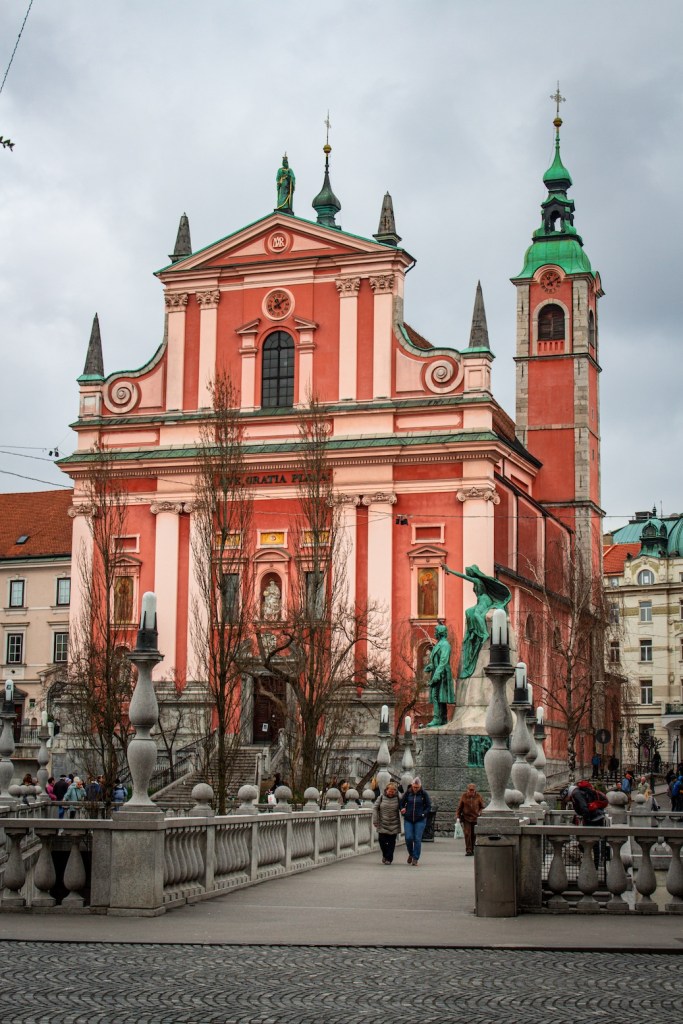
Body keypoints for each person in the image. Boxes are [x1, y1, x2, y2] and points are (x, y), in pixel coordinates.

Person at [441, 564, 511, 678]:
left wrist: (450, 570)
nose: (468, 574)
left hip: (484, 600)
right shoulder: (476, 581)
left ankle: (484, 633)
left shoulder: (477, 581)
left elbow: (464, 577)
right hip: (480, 601)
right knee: (469, 612)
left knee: (478, 614)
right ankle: (474, 630)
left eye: (469, 572)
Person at [423, 624, 456, 727]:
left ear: (440, 633)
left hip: (443, 674)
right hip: (438, 671)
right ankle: (443, 719)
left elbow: (443, 661)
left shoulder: (445, 645)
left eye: (436, 631)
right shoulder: (438, 644)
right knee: (440, 697)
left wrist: (436, 674)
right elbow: (436, 661)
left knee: (437, 695)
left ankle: (437, 718)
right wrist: (430, 666)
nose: (434, 633)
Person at [399, 776, 432, 866]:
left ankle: (415, 858)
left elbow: (428, 806)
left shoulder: (423, 794)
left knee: (417, 839)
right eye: (414, 787)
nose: (416, 789)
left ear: (420, 786)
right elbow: (401, 803)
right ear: (412, 785)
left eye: (417, 787)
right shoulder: (408, 793)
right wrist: (402, 809)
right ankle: (411, 853)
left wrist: (423, 814)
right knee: (408, 838)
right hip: (408, 818)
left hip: (420, 819)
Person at [372, 781, 402, 865]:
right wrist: (375, 820)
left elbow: (402, 807)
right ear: (386, 790)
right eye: (390, 791)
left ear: (395, 791)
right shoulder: (381, 797)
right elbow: (375, 808)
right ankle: (385, 855)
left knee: (391, 843)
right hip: (382, 823)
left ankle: (389, 858)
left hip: (394, 823)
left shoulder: (398, 798)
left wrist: (404, 811)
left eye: (393, 792)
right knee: (382, 841)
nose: (391, 793)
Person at [455, 782, 485, 856]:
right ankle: (468, 850)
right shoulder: (464, 796)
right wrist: (458, 816)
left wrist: (479, 812)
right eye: (470, 790)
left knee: (474, 834)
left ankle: (473, 849)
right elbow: (460, 807)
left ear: (475, 790)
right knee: (467, 834)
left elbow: (482, 806)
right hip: (466, 818)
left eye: (473, 790)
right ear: (467, 790)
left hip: (475, 818)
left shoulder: (478, 796)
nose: (471, 792)